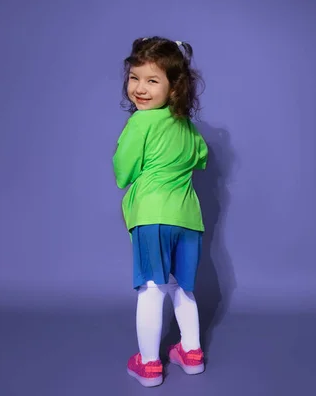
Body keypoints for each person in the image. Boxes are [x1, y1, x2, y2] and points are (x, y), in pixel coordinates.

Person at [112, 36, 208, 388]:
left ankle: (149, 363)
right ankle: (191, 352)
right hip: (188, 219)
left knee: (151, 288)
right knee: (183, 287)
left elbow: (123, 172)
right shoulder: (187, 126)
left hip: (152, 217)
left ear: (173, 89)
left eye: (152, 80)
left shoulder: (140, 123)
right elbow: (202, 157)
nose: (139, 88)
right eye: (134, 78)